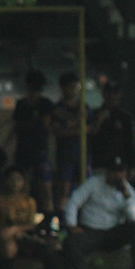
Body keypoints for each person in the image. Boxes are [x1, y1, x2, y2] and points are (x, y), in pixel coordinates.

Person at [62, 155, 135, 269]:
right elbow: (73, 202)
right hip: (91, 231)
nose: (118, 176)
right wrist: (72, 225)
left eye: (121, 172)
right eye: (114, 172)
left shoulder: (128, 190)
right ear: (108, 172)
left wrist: (126, 195)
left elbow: (133, 217)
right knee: (70, 243)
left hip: (113, 232)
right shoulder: (93, 183)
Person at [0, 166, 67, 269]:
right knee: (9, 247)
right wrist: (11, 232)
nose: (14, 183)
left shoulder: (29, 201)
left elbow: (32, 224)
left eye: (18, 179)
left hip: (25, 236)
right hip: (6, 238)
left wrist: (17, 229)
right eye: (11, 179)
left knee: (46, 249)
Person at [11, 70, 55, 214]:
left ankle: (49, 219)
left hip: (39, 150)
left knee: (44, 186)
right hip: (23, 149)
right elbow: (17, 126)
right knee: (22, 186)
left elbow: (45, 125)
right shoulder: (21, 104)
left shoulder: (46, 104)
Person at [52, 71, 93, 212]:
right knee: (64, 189)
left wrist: (75, 127)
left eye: (75, 87)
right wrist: (78, 127)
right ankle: (62, 220)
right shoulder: (58, 109)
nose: (73, 90)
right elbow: (58, 132)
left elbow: (89, 128)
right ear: (63, 88)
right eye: (69, 87)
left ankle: (83, 217)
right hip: (65, 154)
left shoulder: (83, 107)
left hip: (81, 153)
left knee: (84, 187)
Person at [90, 81, 135, 177]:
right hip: (99, 164)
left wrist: (131, 166)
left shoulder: (125, 117)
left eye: (115, 93)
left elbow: (130, 142)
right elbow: (90, 137)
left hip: (119, 165)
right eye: (109, 93)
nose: (112, 97)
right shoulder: (94, 114)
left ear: (119, 95)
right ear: (103, 94)